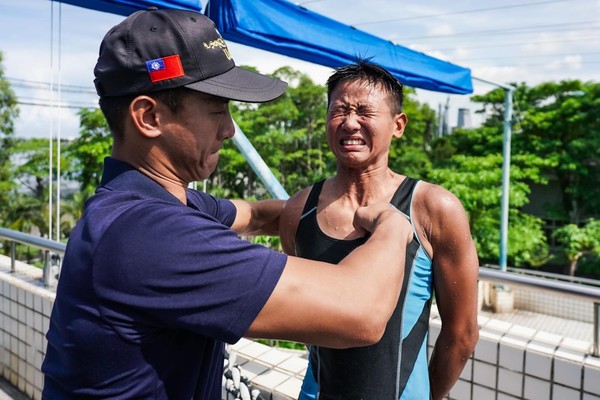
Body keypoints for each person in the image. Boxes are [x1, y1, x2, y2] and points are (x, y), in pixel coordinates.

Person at [41, 9, 414, 400]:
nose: (229, 129)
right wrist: (392, 221)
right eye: (218, 110)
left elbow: (255, 214)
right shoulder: (153, 236)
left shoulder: (149, 204)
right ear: (148, 116)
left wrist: (322, 206)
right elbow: (360, 313)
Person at [279, 60, 480, 400]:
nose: (349, 122)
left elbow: (461, 333)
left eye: (364, 111)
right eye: (338, 110)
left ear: (398, 125)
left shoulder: (432, 208)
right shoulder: (300, 208)